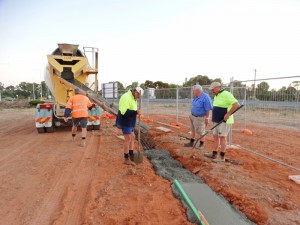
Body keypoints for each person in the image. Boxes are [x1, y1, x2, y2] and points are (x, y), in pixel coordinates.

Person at [204, 82, 240, 162]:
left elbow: (236, 104)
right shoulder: (217, 95)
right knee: (215, 136)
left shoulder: (226, 94)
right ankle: (214, 154)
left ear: (218, 87)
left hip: (224, 121)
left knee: (223, 137)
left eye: (213, 89)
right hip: (217, 121)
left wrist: (228, 114)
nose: (212, 91)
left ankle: (222, 157)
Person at [116, 87, 144, 166]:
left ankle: (131, 154)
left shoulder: (133, 98)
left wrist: (137, 113)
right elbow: (124, 112)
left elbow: (133, 109)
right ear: (135, 92)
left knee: (133, 137)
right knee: (128, 138)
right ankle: (126, 158)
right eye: (138, 96)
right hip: (125, 121)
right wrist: (136, 112)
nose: (138, 98)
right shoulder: (126, 97)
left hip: (131, 122)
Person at [184, 84, 212, 149]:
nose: (192, 92)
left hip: (200, 118)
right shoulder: (196, 96)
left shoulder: (205, 97)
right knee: (192, 129)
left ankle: (201, 144)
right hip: (193, 116)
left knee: (201, 131)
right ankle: (191, 142)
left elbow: (208, 109)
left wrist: (207, 117)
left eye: (193, 91)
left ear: (197, 90)